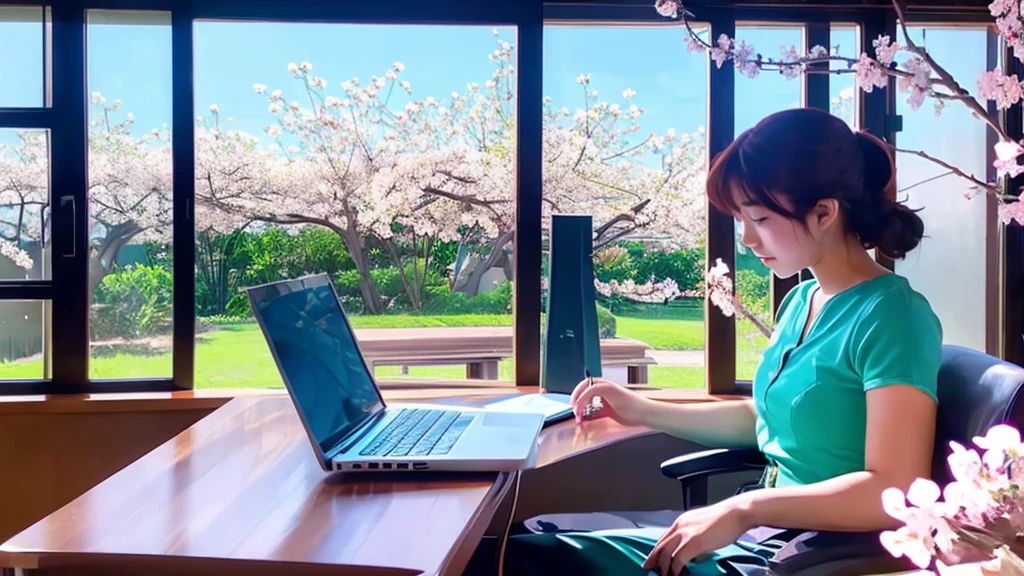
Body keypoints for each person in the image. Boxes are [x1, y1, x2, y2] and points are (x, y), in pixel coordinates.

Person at [503, 107, 943, 576]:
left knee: (536, 560)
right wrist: (639, 408)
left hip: (812, 551)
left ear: (824, 212)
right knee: (537, 535)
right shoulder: (801, 300)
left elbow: (891, 488)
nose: (748, 239)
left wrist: (743, 511)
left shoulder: (892, 316)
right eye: (741, 220)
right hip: (765, 530)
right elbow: (766, 418)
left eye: (759, 218)